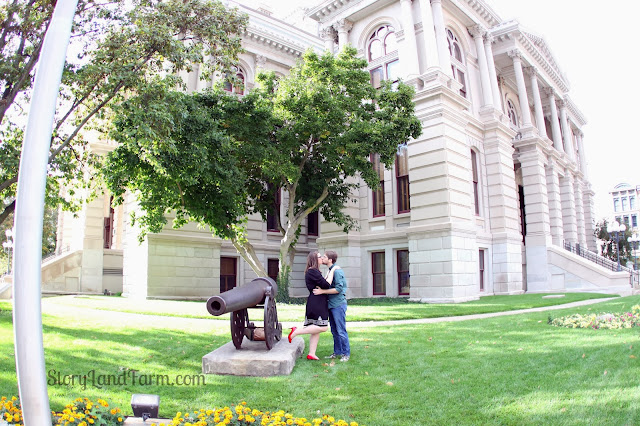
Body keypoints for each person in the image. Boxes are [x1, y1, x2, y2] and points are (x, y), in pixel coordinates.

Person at [287, 251, 335, 360]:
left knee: (316, 329)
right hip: (317, 302)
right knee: (323, 327)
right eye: (319, 257)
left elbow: (322, 284)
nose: (321, 258)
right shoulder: (313, 271)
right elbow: (327, 284)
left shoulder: (313, 271)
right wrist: (333, 270)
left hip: (316, 301)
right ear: (314, 259)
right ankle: (296, 331)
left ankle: (312, 353)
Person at [313, 250, 350, 362]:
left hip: (338, 304)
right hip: (331, 305)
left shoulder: (337, 271)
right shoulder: (330, 270)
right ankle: (337, 352)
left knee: (341, 330)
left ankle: (346, 354)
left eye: (324, 257)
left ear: (330, 260)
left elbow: (339, 289)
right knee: (334, 330)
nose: (322, 258)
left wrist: (322, 292)